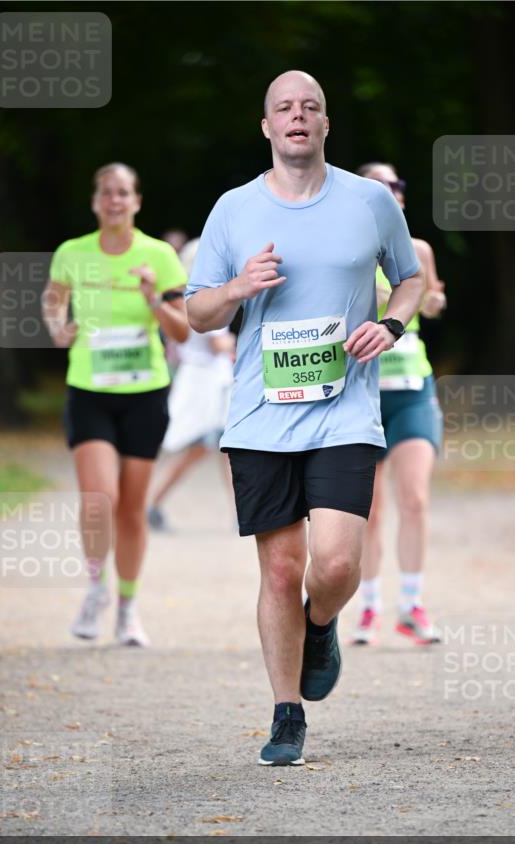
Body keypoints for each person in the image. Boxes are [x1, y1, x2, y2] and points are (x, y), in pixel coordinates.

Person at [185, 71, 424, 765]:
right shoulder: (233, 209)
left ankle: (322, 623)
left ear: (325, 125)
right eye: (284, 107)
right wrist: (236, 287)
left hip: (345, 408)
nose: (297, 116)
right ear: (266, 126)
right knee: (282, 570)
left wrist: (392, 324)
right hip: (261, 416)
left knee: (338, 561)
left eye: (310, 107)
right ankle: (286, 713)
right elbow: (198, 314)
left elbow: (410, 278)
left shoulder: (369, 200)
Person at [43, 162, 189, 646]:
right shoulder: (72, 252)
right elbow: (53, 298)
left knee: (130, 509)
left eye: (123, 192)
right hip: (89, 390)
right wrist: (56, 326)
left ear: (137, 201)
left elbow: (183, 329)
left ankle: (127, 608)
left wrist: (153, 300)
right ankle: (95, 587)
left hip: (145, 394)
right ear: (94, 201)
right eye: (106, 192)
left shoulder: (161, 256)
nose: (115, 201)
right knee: (98, 499)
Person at [352, 163, 446, 646]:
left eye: (398, 185)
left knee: (415, 497)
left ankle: (410, 605)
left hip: (412, 389)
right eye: (381, 186)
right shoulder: (346, 251)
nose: (392, 192)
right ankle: (368, 605)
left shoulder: (421, 250)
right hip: (363, 395)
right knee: (369, 511)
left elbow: (431, 301)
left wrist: (432, 301)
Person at [148, 240, 236, 533]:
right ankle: (151, 504)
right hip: (207, 386)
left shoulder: (184, 294)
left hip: (205, 382)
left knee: (222, 451)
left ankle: (240, 512)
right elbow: (217, 341)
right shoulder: (205, 296)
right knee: (210, 450)